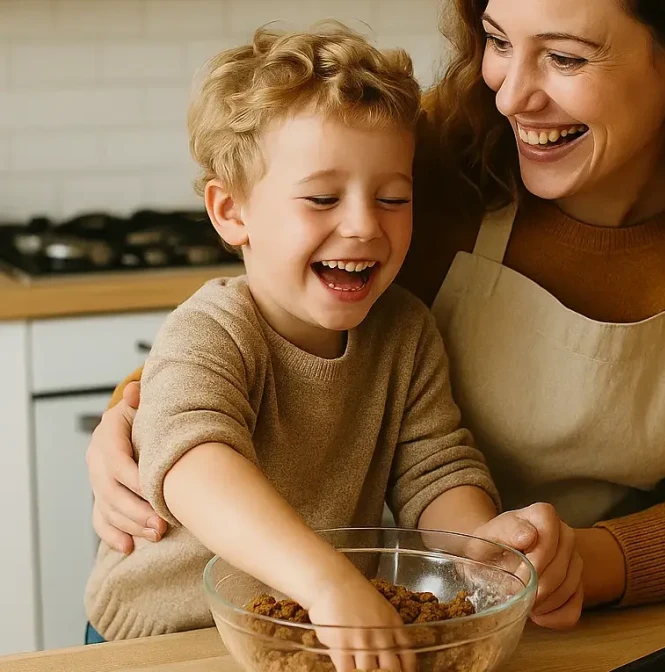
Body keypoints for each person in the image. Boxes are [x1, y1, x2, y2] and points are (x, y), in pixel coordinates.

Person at [87, 0, 665, 613]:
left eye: (565, 56)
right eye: (496, 39)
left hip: (567, 609)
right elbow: (253, 337)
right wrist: (139, 416)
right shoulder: (431, 152)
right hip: (352, 605)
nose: (512, 93)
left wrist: (539, 561)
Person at [83, 25, 583, 663]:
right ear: (231, 211)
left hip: (317, 630)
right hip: (168, 637)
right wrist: (326, 579)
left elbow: (435, 469)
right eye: (322, 198)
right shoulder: (212, 328)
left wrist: (481, 545)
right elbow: (193, 463)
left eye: (392, 198)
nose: (363, 225)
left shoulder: (404, 331)